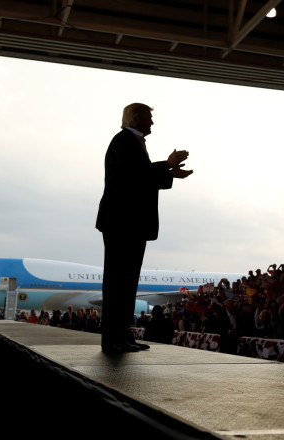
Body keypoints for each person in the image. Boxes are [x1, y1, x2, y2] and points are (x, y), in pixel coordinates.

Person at [95, 103, 192, 354]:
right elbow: (134, 176)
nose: (152, 123)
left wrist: (170, 173)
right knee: (118, 284)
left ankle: (122, 336)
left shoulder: (132, 141)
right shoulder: (124, 141)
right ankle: (113, 339)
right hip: (122, 223)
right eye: (148, 118)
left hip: (129, 224)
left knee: (127, 284)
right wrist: (167, 164)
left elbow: (140, 177)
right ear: (136, 118)